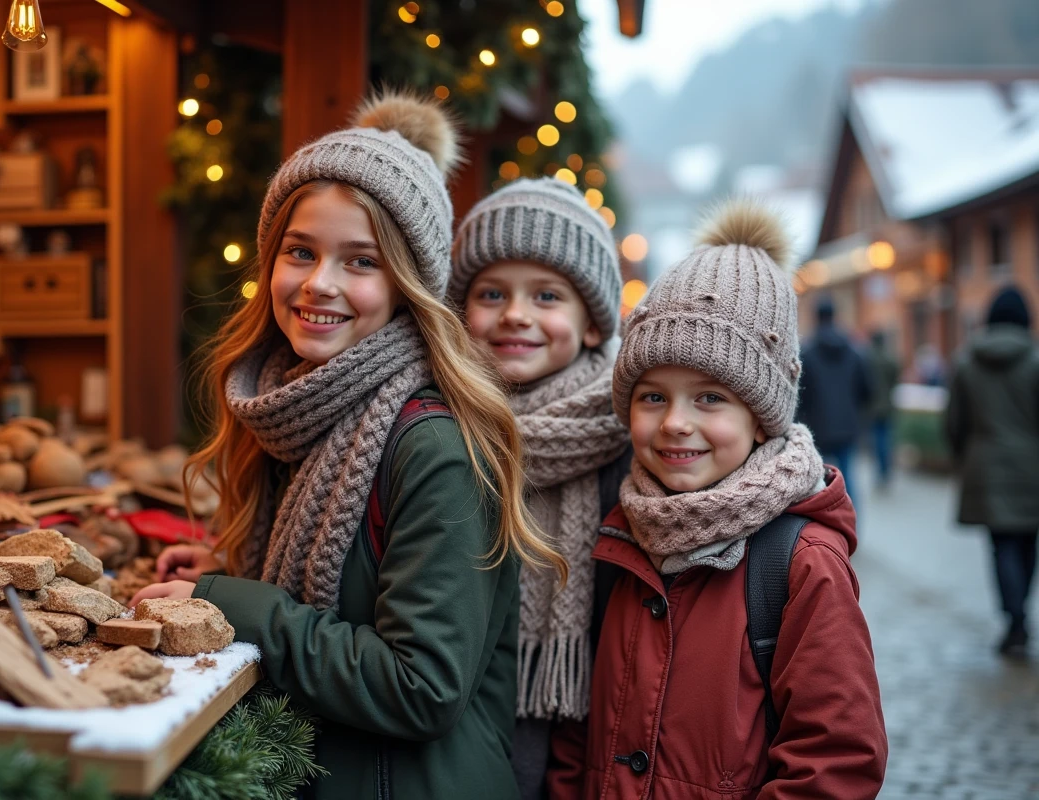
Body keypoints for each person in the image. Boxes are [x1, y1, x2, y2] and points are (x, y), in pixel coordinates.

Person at [130, 92, 567, 799]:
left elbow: (421, 685)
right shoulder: (297, 410)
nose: (319, 284)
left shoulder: (435, 444)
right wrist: (234, 570)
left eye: (360, 262)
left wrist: (235, 602)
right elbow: (347, 593)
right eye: (300, 251)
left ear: (406, 285)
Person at [547, 200, 887, 799]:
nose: (676, 423)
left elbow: (836, 761)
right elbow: (581, 732)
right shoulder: (620, 537)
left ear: (761, 419)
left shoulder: (801, 563)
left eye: (709, 398)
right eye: (652, 397)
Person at [448, 178, 632, 798]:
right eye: (491, 293)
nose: (516, 314)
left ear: (589, 325)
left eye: (547, 295)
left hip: (587, 720)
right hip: (457, 705)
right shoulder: (438, 426)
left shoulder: (627, 433)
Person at [945, 286, 1039, 657]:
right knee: (1028, 544)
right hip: (1032, 467)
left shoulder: (968, 363)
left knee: (1001, 546)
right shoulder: (1035, 361)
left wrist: (963, 458)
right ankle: (1020, 617)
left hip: (986, 468)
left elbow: (955, 423)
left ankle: (1013, 620)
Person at [797, 296, 870, 509]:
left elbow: (800, 396)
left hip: (816, 427)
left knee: (819, 484)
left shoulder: (807, 353)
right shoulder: (854, 351)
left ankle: (826, 533)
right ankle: (852, 528)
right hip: (848, 425)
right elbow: (867, 390)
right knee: (848, 480)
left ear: (816, 317)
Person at [867, 329, 900, 487]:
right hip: (888, 404)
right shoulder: (889, 358)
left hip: (873, 406)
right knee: (887, 437)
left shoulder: (868, 358)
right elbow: (896, 377)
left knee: (877, 439)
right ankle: (886, 469)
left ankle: (881, 470)